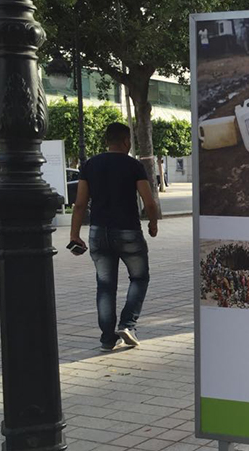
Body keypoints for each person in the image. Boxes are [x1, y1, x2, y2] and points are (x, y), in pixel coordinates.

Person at [69, 123, 159, 351]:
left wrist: (74, 234)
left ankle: (107, 339)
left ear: (107, 141)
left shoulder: (89, 165)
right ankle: (128, 324)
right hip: (128, 231)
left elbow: (80, 204)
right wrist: (153, 224)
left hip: (98, 233)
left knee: (105, 285)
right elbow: (149, 202)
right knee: (139, 278)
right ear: (126, 141)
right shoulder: (134, 166)